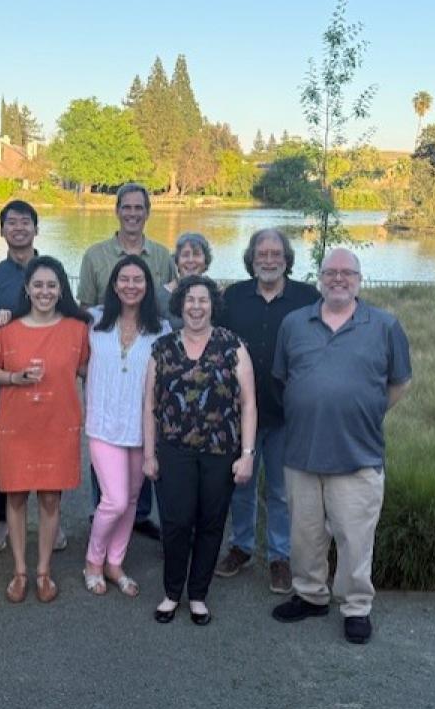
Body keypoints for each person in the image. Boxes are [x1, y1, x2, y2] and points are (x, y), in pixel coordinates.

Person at [270, 248, 412, 645]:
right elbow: (283, 380)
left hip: (358, 455)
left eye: (347, 273)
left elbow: (399, 383)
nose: (338, 279)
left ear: (359, 280)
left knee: (355, 537)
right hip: (302, 452)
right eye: (330, 272)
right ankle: (311, 595)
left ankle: (355, 607)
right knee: (305, 534)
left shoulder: (384, 325)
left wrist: (363, 410)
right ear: (319, 278)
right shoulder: (294, 324)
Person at [143, 275, 257, 626]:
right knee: (176, 523)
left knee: (211, 523)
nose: (196, 306)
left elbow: (249, 403)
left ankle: (198, 595)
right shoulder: (162, 348)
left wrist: (247, 454)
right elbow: (149, 404)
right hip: (174, 450)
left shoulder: (232, 346)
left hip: (221, 450)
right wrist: (149, 454)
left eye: (203, 300)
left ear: (213, 305)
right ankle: (172, 592)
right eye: (190, 300)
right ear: (180, 304)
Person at [214, 228, 320, 594]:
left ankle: (279, 557)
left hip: (286, 414)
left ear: (287, 259)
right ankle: (242, 547)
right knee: (240, 484)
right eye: (263, 253)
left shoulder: (307, 298)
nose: (269, 259)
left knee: (279, 490)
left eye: (276, 253)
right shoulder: (233, 297)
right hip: (239, 415)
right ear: (252, 257)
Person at [0, 256, 90, 604]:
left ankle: (43, 571)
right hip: (15, 427)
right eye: (38, 285)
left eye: (52, 285)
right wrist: (14, 378)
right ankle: (19, 571)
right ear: (27, 289)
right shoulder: (4, 329)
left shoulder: (78, 329)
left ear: (62, 290)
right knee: (14, 496)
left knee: (49, 498)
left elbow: (91, 372)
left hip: (58, 425)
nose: (45, 292)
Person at [77, 182, 177, 540]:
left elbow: (169, 309)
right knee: (106, 433)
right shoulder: (95, 255)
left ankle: (137, 513)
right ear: (117, 210)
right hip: (106, 358)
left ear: (147, 212)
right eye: (127, 207)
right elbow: (84, 308)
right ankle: (101, 507)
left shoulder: (164, 257)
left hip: (144, 357)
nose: (133, 213)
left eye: (139, 208)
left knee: (142, 432)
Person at [0, 200, 67, 554]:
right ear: (1, 231)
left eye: (25, 222)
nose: (18, 228)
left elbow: (70, 316)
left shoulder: (52, 273)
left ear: (36, 228)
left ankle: (50, 521)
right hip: (5, 382)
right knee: (3, 452)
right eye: (11, 223)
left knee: (48, 449)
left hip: (49, 382)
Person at [83, 255, 170, 597]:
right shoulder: (92, 321)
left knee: (132, 499)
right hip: (103, 425)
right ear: (114, 284)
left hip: (141, 427)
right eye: (124, 279)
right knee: (115, 500)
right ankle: (93, 560)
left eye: (138, 280)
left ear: (147, 286)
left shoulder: (160, 329)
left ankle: (115, 562)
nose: (131, 285)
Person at [158, 232, 213, 330]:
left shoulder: (214, 294)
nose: (190, 260)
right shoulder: (160, 297)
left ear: (205, 260)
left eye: (196, 254)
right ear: (177, 261)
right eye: (185, 255)